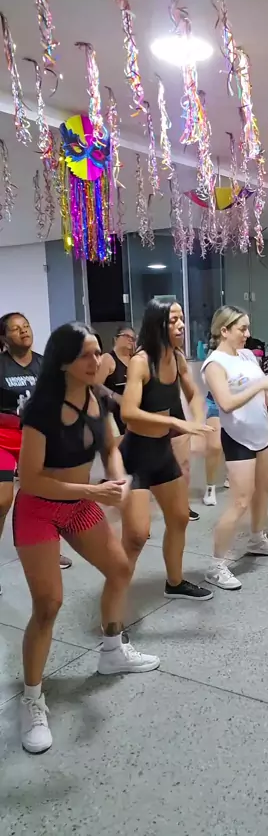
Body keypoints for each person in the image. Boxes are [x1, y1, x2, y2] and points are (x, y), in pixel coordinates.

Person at [14, 321, 160, 754]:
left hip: (79, 504)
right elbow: (31, 480)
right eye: (86, 355)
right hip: (39, 509)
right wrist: (93, 491)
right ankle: (32, 697)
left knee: (119, 568)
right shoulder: (41, 409)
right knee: (48, 604)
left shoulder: (97, 397)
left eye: (98, 352)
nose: (97, 361)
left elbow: (111, 449)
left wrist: (118, 481)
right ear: (64, 362)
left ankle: (112, 650)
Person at [120, 299, 213, 600]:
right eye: (173, 320)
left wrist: (196, 422)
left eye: (181, 318)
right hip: (135, 456)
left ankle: (174, 582)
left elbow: (194, 394)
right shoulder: (141, 361)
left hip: (161, 453)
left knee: (179, 518)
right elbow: (128, 412)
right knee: (136, 535)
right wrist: (175, 421)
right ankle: (116, 597)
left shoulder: (177, 357)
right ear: (157, 324)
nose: (181, 325)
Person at [202, 305, 268, 591]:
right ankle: (216, 566)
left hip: (262, 432)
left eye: (248, 328)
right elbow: (226, 403)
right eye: (242, 329)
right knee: (240, 501)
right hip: (238, 437)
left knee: (264, 489)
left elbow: (262, 391)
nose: (247, 334)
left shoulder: (248, 355)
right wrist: (261, 385)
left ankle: (257, 539)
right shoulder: (214, 364)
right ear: (224, 330)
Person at [0, 312, 72, 583]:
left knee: (46, 498)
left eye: (26, 326)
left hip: (36, 438)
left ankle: (49, 549)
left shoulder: (45, 365)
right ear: (4, 338)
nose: (23, 331)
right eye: (15, 328)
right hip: (3, 440)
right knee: (2, 500)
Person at [97, 326, 136, 441]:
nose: (130, 340)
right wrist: (114, 396)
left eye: (133, 338)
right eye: (126, 336)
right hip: (115, 413)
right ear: (116, 339)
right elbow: (96, 384)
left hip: (134, 412)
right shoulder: (108, 359)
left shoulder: (135, 359)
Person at [202, 391, 229, 507]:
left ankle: (230, 474)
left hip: (243, 401)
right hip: (216, 401)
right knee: (215, 446)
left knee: (237, 440)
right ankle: (210, 487)